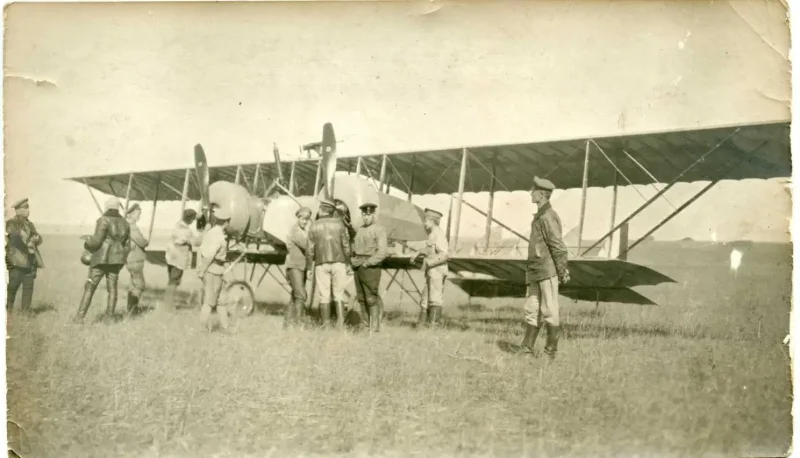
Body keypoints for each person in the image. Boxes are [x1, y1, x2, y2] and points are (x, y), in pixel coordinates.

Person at [521, 176, 570, 359]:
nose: (530, 193)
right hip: (535, 270)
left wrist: (562, 270)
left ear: (541, 194)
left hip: (546, 270)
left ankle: (550, 352)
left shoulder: (548, 216)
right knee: (532, 309)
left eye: (533, 190)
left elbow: (557, 246)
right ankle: (527, 348)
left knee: (549, 310)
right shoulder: (541, 215)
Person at [74, 197, 131, 323]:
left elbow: (96, 241)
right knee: (113, 289)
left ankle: (79, 317)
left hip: (101, 259)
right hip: (116, 260)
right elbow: (127, 245)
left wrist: (87, 243)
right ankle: (109, 318)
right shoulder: (125, 223)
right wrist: (121, 258)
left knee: (90, 286)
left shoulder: (103, 220)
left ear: (107, 207)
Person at [306, 200, 352, 328]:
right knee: (339, 294)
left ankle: (326, 326)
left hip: (321, 263)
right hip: (339, 263)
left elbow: (310, 249)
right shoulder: (340, 224)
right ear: (332, 211)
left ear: (321, 210)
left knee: (324, 296)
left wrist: (309, 267)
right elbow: (346, 246)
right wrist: (348, 263)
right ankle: (341, 325)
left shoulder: (314, 226)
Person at [351, 202, 388, 332]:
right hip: (358, 266)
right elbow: (354, 248)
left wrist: (368, 262)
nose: (366, 217)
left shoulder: (379, 229)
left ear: (374, 215)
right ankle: (365, 325)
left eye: (368, 214)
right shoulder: (360, 229)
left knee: (371, 298)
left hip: (371, 268)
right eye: (364, 215)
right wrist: (354, 260)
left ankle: (374, 328)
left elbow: (382, 252)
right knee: (361, 298)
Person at [411, 208, 449, 329]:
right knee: (425, 300)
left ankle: (433, 328)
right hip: (432, 272)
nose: (424, 223)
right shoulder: (433, 234)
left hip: (437, 271)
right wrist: (418, 252)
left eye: (426, 220)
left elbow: (444, 255)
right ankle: (422, 327)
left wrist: (429, 263)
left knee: (434, 299)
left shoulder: (439, 234)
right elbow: (429, 250)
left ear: (432, 220)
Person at [5, 198, 44, 313]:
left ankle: (25, 313)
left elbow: (39, 238)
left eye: (28, 208)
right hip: (17, 261)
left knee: (28, 288)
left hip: (30, 261)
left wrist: (35, 240)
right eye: (25, 208)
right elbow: (15, 239)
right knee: (12, 287)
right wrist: (30, 242)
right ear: (17, 210)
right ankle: (7, 312)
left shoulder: (30, 224)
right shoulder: (11, 223)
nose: (28, 210)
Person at [196, 207, 232, 332]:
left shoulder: (211, 233)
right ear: (226, 222)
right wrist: (203, 270)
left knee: (221, 302)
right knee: (210, 302)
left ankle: (226, 328)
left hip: (217, 270)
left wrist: (201, 269)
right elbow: (210, 255)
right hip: (213, 271)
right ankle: (201, 329)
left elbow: (201, 250)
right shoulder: (219, 237)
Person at [164, 208, 203, 311]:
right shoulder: (186, 230)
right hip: (179, 259)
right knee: (174, 281)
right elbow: (195, 242)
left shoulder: (177, 225)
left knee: (171, 281)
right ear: (190, 219)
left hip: (171, 257)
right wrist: (203, 234)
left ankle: (167, 304)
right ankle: (168, 306)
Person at [283, 206, 311, 328]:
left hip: (300, 267)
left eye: (307, 219)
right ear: (298, 218)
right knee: (300, 295)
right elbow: (307, 245)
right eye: (303, 218)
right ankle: (299, 324)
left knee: (295, 296)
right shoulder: (295, 231)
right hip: (294, 267)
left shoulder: (303, 232)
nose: (304, 221)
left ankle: (287, 324)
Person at [124, 203, 149, 315]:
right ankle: (133, 311)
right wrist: (146, 241)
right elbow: (142, 242)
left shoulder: (127, 225)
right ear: (132, 214)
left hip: (130, 259)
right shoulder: (132, 226)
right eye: (138, 214)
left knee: (133, 285)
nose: (139, 217)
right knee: (140, 285)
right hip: (135, 260)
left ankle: (130, 308)